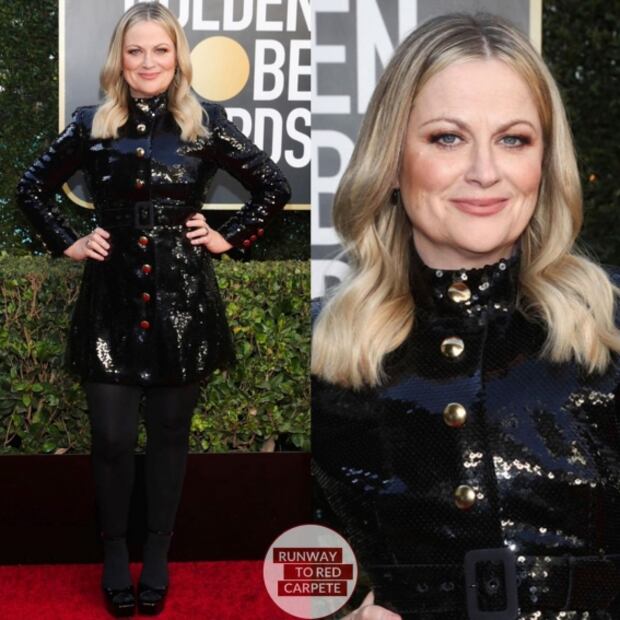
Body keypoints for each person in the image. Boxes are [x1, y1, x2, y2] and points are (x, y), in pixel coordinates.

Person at [311, 12, 620, 620]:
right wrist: (336, 613)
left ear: (544, 163)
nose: (485, 171)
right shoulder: (320, 351)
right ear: (391, 160)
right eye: (447, 138)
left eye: (514, 139)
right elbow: (282, 571)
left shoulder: (608, 326)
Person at [17, 3, 290, 617]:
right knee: (111, 438)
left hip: (182, 301)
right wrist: (69, 240)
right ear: (120, 58)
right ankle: (115, 554)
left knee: (170, 437)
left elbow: (273, 186)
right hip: (110, 299)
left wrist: (228, 236)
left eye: (160, 50)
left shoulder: (205, 123)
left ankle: (159, 557)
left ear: (177, 57)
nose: (148, 62)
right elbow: (30, 188)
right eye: (135, 50)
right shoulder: (91, 123)